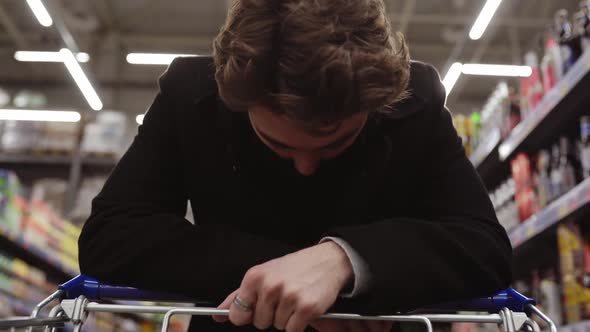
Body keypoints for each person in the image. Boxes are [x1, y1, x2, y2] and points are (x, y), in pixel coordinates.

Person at [77, 0, 512, 331]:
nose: (305, 167)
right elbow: (112, 237)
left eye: (335, 143)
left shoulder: (413, 100)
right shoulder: (190, 96)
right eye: (277, 145)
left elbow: (483, 247)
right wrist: (292, 270)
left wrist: (344, 260)